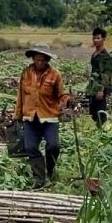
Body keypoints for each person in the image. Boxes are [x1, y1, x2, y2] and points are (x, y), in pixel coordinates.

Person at [17, 45, 69, 186]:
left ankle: (50, 169)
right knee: (30, 148)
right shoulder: (26, 73)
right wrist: (17, 115)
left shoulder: (55, 75)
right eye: (37, 60)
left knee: (53, 146)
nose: (39, 63)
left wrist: (67, 100)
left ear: (47, 60)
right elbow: (21, 95)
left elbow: (61, 94)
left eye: (42, 60)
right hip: (30, 117)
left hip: (49, 116)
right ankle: (39, 178)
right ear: (33, 59)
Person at [87, 27, 112, 127]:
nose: (95, 40)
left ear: (103, 39)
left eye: (98, 38)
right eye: (94, 38)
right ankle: (98, 128)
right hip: (93, 86)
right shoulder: (94, 54)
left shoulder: (105, 56)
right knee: (92, 111)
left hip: (101, 87)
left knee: (100, 111)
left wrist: (101, 89)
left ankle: (101, 130)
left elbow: (106, 74)